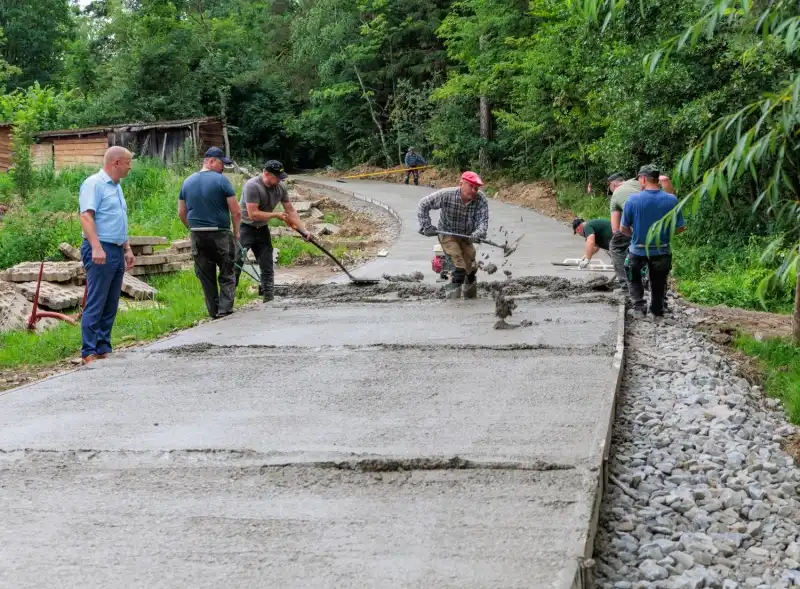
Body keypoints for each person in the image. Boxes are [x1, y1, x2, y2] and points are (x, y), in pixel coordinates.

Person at [78, 147, 136, 365]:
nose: (130, 167)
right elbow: (86, 216)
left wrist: (127, 248)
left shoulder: (117, 187)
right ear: (116, 162)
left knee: (111, 300)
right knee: (97, 299)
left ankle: (103, 346)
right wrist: (96, 246)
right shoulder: (95, 184)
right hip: (100, 248)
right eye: (128, 162)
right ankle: (88, 351)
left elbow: (118, 221)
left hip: (115, 248)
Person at [178, 147, 241, 319]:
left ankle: (213, 312)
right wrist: (236, 233)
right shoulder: (222, 181)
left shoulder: (187, 182)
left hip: (197, 234)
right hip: (220, 233)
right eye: (222, 164)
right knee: (227, 271)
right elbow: (236, 211)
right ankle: (224, 309)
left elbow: (181, 213)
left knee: (205, 275)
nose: (223, 168)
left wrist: (191, 228)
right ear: (211, 161)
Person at [234, 160, 309, 302]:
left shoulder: (280, 187)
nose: (280, 180)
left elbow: (290, 210)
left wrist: (304, 230)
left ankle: (268, 300)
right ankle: (228, 302)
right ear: (266, 174)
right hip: (245, 228)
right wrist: (275, 215)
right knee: (236, 263)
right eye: (277, 177)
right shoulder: (252, 186)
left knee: (267, 265)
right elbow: (253, 214)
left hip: (262, 229)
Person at [620, 165, 685, 318]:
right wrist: (665, 234)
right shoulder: (671, 200)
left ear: (643, 178)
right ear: (657, 179)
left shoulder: (633, 200)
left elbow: (623, 228)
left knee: (632, 274)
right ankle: (657, 309)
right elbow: (680, 228)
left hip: (638, 249)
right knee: (659, 280)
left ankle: (638, 307)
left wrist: (635, 237)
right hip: (662, 250)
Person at [417, 171, 489, 299]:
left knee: (470, 268)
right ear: (461, 184)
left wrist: (478, 233)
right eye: (470, 186)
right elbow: (423, 204)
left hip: (467, 236)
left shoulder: (480, 199)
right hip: (447, 234)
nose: (473, 190)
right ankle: (453, 303)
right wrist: (426, 225)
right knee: (458, 266)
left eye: (476, 188)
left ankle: (471, 298)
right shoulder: (447, 195)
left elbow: (482, 222)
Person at [608, 171, 675, 291]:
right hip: (658, 228)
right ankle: (652, 280)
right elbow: (664, 181)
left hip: (638, 231)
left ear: (613, 185)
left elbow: (615, 229)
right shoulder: (640, 183)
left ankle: (625, 285)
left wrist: (633, 236)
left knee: (616, 246)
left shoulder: (617, 193)